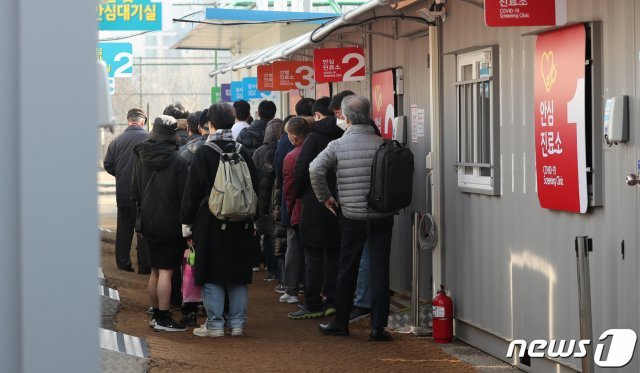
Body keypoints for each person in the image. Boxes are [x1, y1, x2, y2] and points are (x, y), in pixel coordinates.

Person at [310, 95, 395, 341]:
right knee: (380, 270)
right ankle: (378, 327)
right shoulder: (382, 143)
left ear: (345, 118)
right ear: (369, 116)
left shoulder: (337, 146)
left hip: (351, 215)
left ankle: (341, 323)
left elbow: (314, 168)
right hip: (382, 215)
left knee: (347, 268)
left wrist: (325, 197)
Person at [181, 102, 259, 337]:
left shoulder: (204, 152)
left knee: (212, 272)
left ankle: (215, 325)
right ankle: (237, 324)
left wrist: (187, 223)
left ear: (210, 124)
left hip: (211, 221)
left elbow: (192, 191)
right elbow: (254, 185)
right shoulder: (242, 150)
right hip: (242, 221)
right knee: (237, 274)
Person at [131, 115, 189, 332]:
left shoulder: (140, 156)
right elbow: (185, 197)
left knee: (155, 270)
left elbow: (133, 190)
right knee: (166, 271)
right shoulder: (179, 161)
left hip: (146, 221)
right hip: (170, 222)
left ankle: (156, 314)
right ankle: (164, 318)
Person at [289, 97, 342, 319]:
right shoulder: (344, 134)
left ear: (318, 115)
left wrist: (300, 193)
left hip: (314, 202)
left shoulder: (314, 138)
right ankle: (332, 300)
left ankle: (312, 303)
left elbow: (302, 170)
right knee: (334, 254)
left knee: (313, 256)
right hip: (341, 202)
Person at [103, 108, 151, 273]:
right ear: (143, 121)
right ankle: (144, 266)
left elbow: (108, 164)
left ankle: (123, 264)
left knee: (124, 230)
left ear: (128, 120)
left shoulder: (117, 141)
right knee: (143, 230)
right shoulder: (150, 139)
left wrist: (120, 174)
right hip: (144, 194)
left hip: (123, 193)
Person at [252, 114, 285, 282]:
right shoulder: (284, 148)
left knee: (266, 234)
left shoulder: (259, 152)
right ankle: (281, 273)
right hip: (279, 199)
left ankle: (270, 269)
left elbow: (254, 177)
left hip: (262, 199)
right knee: (280, 236)